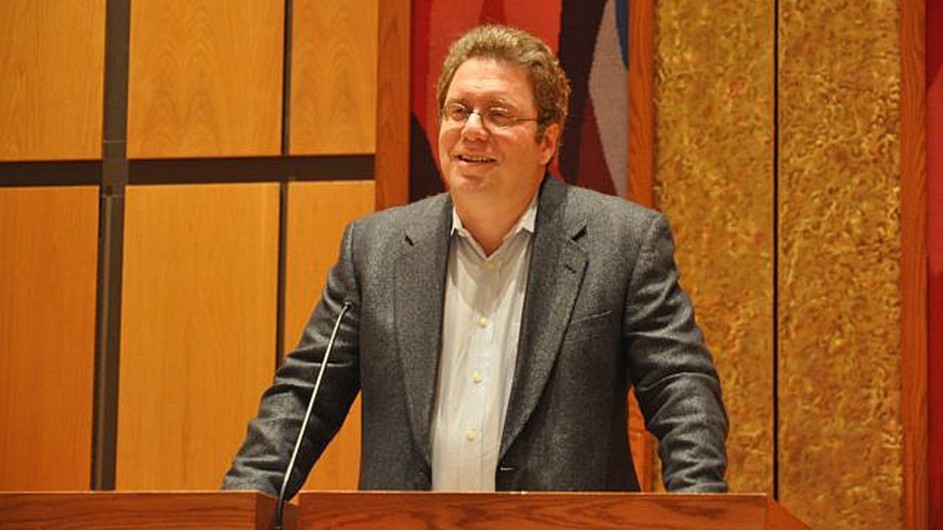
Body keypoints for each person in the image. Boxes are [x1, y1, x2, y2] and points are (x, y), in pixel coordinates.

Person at [223, 24, 727, 497]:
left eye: (499, 114)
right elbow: (302, 399)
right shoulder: (375, 249)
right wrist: (239, 508)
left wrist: (702, 513)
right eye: (457, 110)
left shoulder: (622, 243)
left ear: (547, 140)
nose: (472, 130)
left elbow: (680, 389)